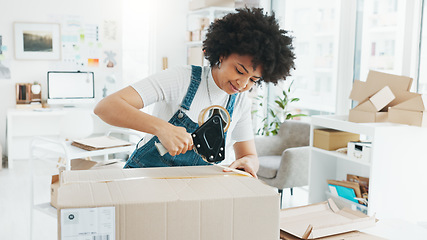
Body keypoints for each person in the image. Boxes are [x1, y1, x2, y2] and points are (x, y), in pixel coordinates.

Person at [94, 8, 295, 177]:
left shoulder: (240, 101)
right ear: (221, 55)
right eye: (239, 71)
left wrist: (249, 164)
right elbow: (106, 107)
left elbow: (248, 156)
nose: (243, 84)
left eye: (253, 80)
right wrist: (161, 129)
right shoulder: (182, 79)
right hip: (145, 177)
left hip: (194, 187)